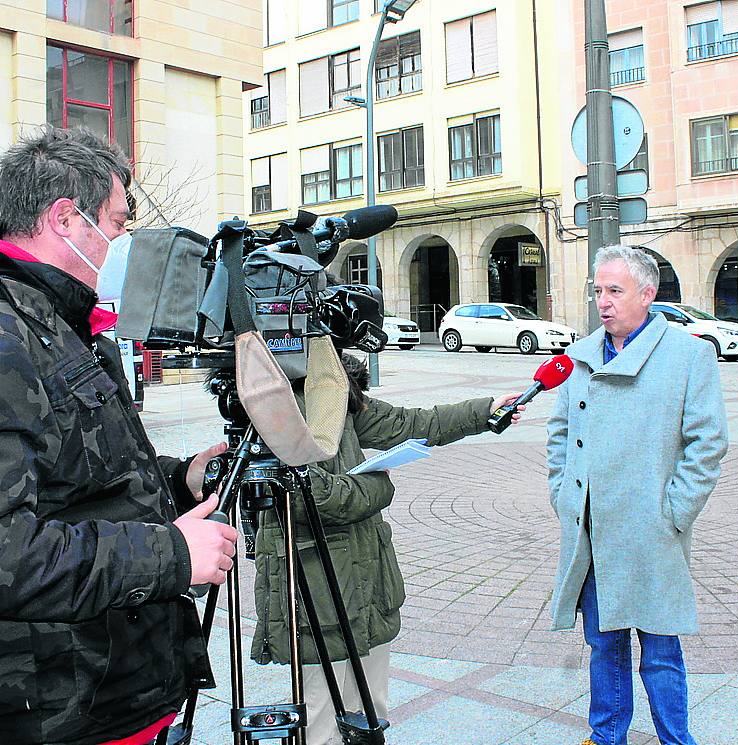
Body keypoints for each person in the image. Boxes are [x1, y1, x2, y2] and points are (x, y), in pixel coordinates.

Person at [0, 126, 238, 745]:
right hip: (58, 707)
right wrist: (171, 554)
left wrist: (180, 477)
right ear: (64, 218)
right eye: (117, 221)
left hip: (114, 689)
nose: (124, 240)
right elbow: (7, 553)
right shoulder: (7, 335)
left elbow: (77, 478)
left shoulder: (60, 321)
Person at [251, 351, 525, 745]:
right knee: (321, 717)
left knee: (370, 710)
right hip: (315, 585)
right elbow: (309, 494)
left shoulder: (334, 386)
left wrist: (483, 411)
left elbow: (407, 423)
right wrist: (378, 485)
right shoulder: (271, 396)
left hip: (365, 575)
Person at [546, 245, 729, 745]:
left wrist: (676, 511)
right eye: (598, 291)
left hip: (651, 528)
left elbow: (707, 442)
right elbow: (560, 436)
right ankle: (606, 737)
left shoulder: (688, 355)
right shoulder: (580, 357)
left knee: (661, 648)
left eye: (614, 291)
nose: (602, 302)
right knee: (603, 645)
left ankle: (676, 739)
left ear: (647, 295)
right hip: (593, 529)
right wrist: (565, 495)